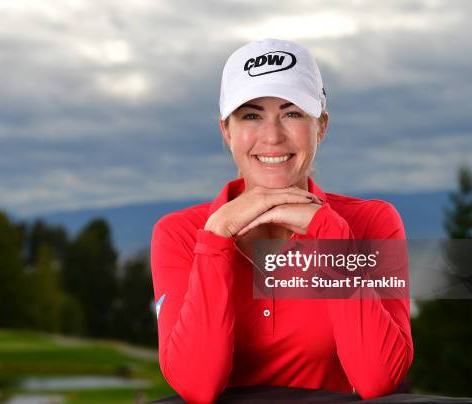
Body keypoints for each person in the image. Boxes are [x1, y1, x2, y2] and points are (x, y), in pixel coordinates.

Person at [150, 38, 413, 403]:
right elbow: (197, 386)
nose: (272, 137)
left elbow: (377, 379)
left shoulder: (372, 222)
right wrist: (214, 241)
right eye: (251, 116)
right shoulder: (180, 234)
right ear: (226, 131)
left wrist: (332, 235)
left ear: (320, 126)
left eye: (292, 113)